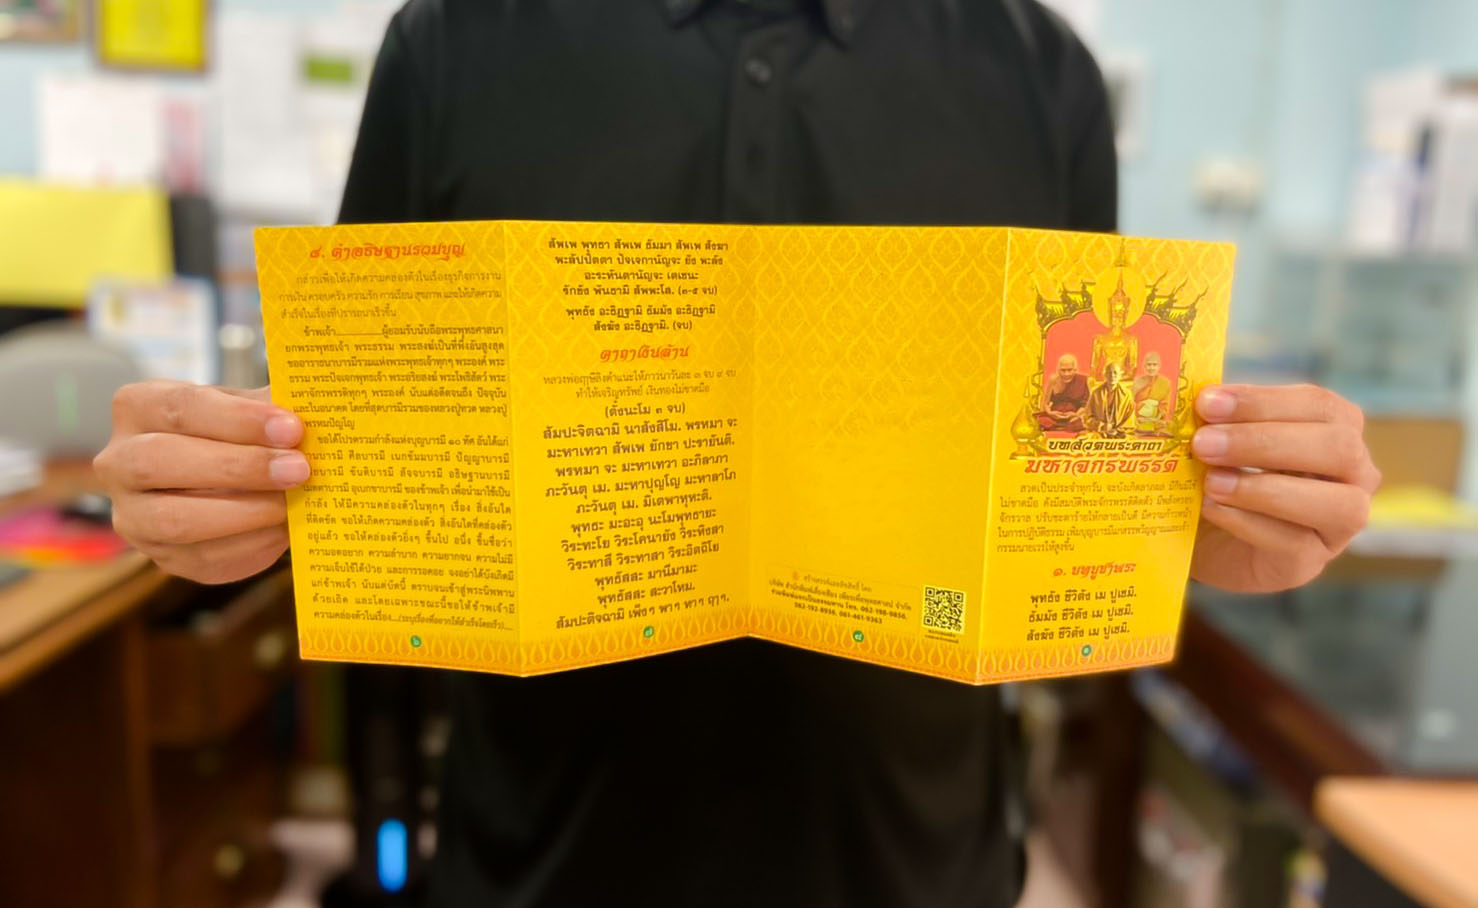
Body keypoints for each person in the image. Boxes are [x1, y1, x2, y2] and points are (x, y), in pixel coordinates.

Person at [92, 2, 1381, 905]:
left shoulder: (1039, 70)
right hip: (541, 854)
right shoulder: (457, 41)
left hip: (915, 861)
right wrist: (224, 485)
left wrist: (1196, 519)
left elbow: (1072, 452)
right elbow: (351, 443)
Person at [1037, 352, 1090, 433]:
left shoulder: (1083, 380)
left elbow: (1086, 404)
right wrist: (1051, 413)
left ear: (1075, 370)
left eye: (1069, 370)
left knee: (1084, 423)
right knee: (1041, 421)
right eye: (1063, 370)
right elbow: (1045, 403)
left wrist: (1075, 414)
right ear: (1058, 370)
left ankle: (1064, 428)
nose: (1066, 374)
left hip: (1074, 417)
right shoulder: (1053, 380)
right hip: (1055, 417)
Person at [1086, 363, 1134, 437]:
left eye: (1115, 373)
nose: (1112, 376)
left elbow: (1130, 418)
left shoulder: (1126, 394)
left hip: (1121, 432)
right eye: (1109, 373)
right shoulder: (1096, 393)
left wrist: (1118, 430)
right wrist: (1101, 425)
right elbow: (1087, 416)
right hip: (1100, 431)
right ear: (1105, 375)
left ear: (1120, 375)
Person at [1134, 351, 1173, 434]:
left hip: (1157, 422)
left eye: (1154, 365)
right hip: (1138, 421)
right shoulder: (1137, 381)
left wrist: (1156, 418)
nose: (1151, 368)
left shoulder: (1165, 383)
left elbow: (1165, 405)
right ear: (1144, 366)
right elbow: (1131, 403)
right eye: (1149, 364)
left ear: (1159, 366)